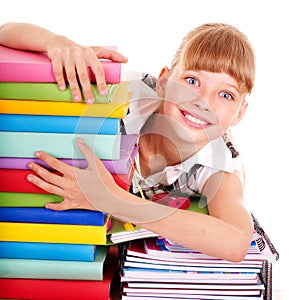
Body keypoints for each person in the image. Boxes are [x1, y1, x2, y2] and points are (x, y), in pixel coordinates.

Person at [0, 22, 255, 262]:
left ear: (240, 114)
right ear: (164, 82)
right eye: (192, 81)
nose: (203, 101)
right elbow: (6, 32)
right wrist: (56, 42)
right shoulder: (124, 98)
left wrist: (111, 199)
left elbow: (236, 242)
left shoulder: (218, 164)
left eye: (225, 94)